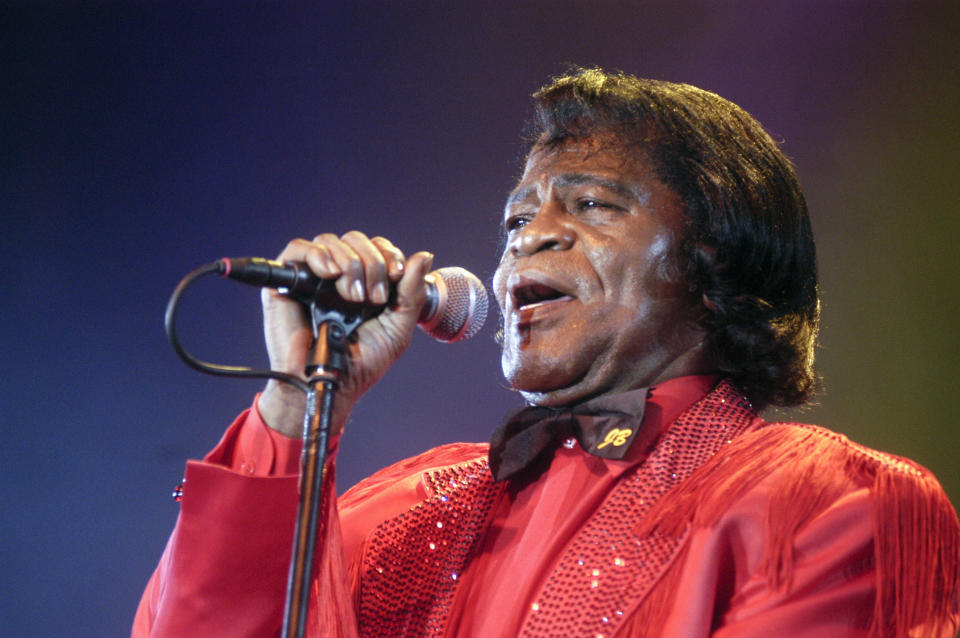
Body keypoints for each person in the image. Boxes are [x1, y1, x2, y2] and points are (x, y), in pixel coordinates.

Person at [133, 68, 960, 637]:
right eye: (516, 220)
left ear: (716, 263)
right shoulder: (407, 507)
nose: (533, 236)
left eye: (592, 203)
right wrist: (296, 407)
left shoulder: (830, 502)